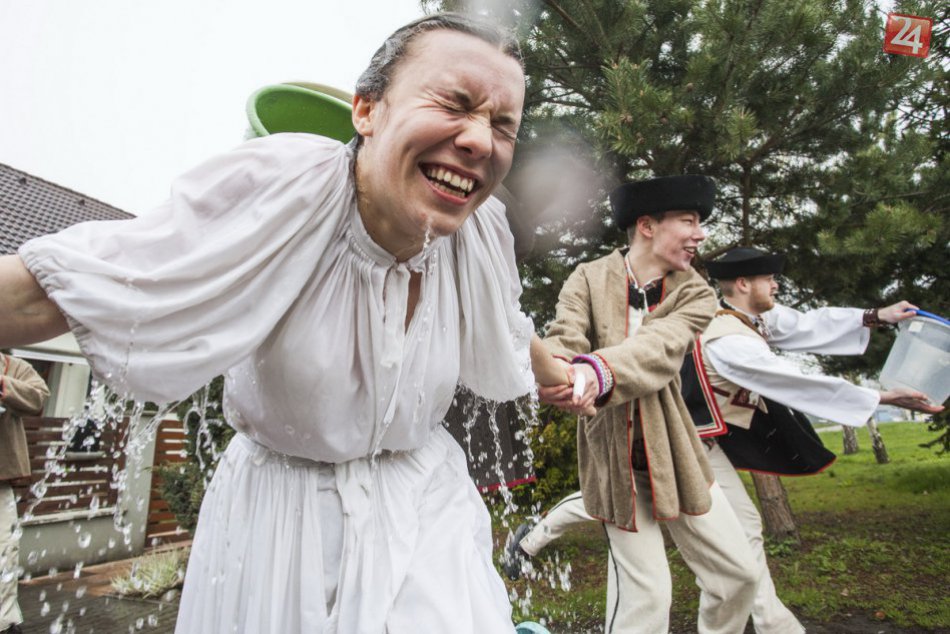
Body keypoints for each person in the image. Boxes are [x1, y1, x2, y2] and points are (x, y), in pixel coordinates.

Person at [0, 14, 573, 634]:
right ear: (366, 110)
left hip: (426, 507)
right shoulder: (285, 191)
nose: (480, 141)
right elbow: (50, 294)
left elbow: (509, 325)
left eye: (502, 125)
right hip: (281, 524)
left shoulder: (479, 232)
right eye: (454, 104)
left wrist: (565, 377)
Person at [510, 247, 943, 634]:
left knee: (729, 542)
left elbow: (801, 323)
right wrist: (881, 396)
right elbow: (788, 380)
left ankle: (773, 623)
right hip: (680, 442)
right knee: (619, 509)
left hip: (704, 445)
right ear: (742, 284)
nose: (776, 286)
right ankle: (534, 535)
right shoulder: (726, 338)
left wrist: (876, 316)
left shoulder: (747, 321)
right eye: (769, 279)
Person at [527, 175, 758, 634]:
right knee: (647, 600)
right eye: (689, 221)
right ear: (648, 226)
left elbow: (659, 349)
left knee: (740, 577)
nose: (701, 233)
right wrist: (557, 371)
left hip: (678, 457)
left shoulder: (695, 293)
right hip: (615, 464)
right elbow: (566, 335)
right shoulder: (587, 278)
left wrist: (593, 372)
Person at [0, 352, 50, 634]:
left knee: (4, 551)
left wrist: (3, 385)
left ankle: (5, 623)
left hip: (0, 481)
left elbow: (38, 395)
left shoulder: (13, 366)